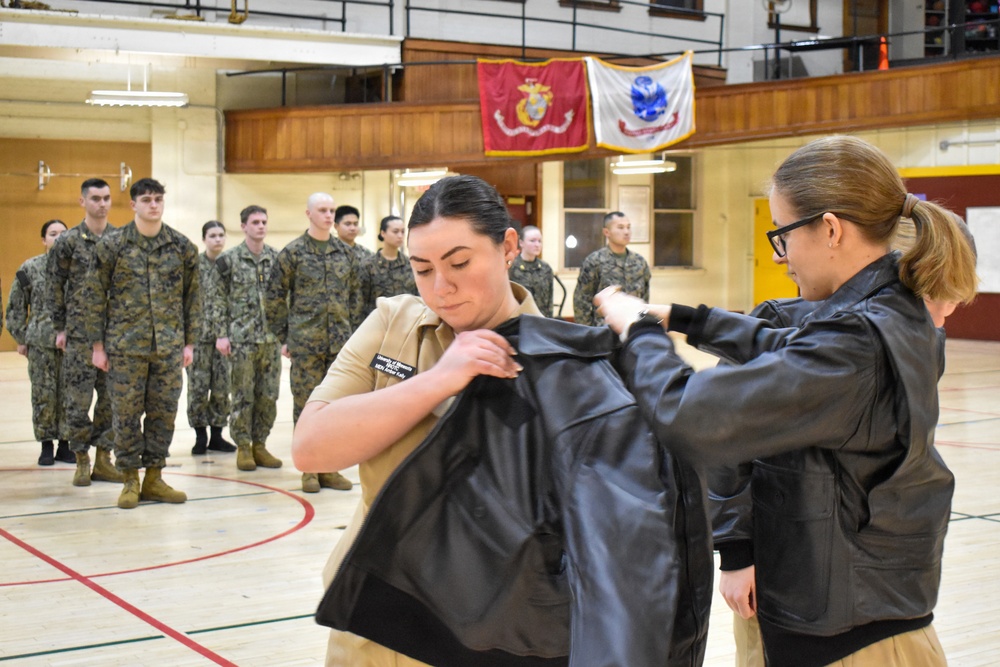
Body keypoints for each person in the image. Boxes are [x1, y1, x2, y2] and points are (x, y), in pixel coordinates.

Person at [595, 135, 978, 667]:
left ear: (831, 229)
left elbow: (691, 415)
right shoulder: (887, 313)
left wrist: (638, 333)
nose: (781, 256)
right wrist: (682, 318)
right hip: (852, 619)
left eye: (783, 234)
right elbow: (787, 340)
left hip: (854, 642)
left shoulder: (858, 341)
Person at [292, 174, 540, 665]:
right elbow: (311, 446)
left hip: (484, 633)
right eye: (422, 269)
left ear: (508, 247)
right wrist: (437, 380)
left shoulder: (555, 360)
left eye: (460, 263)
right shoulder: (394, 323)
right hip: (371, 623)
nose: (440, 288)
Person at [86, 178, 201, 510]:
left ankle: (154, 478)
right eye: (147, 199)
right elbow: (93, 296)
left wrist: (190, 343)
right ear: (133, 204)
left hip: (168, 347)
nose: (153, 205)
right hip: (125, 347)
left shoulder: (182, 247)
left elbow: (193, 298)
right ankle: (129, 480)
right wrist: (97, 346)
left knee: (163, 414)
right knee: (125, 415)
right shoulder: (113, 245)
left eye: (158, 199)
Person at [266, 193, 355, 493]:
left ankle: (329, 467)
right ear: (308, 214)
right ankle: (309, 469)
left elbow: (355, 296)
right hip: (305, 344)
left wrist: (353, 335)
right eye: (322, 210)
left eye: (331, 210)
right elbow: (273, 296)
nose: (329, 215)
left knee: (334, 408)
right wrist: (284, 336)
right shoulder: (292, 253)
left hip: (339, 344)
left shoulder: (345, 254)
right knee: (306, 407)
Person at [48, 177, 122, 484]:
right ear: (83, 201)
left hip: (114, 334)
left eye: (106, 198)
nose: (102, 204)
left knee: (111, 399)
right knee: (77, 401)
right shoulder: (68, 242)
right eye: (95, 198)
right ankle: (81, 459)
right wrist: (59, 327)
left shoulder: (121, 239)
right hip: (79, 334)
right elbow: (55, 285)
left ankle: (104, 459)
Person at [214, 205, 283, 474]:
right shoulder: (229, 260)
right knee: (243, 394)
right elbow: (217, 299)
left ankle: (260, 444)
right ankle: (243, 446)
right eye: (255, 222)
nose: (261, 226)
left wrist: (285, 334)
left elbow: (283, 298)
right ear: (243, 226)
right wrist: (221, 334)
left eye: (264, 221)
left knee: (268, 395)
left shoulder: (276, 259)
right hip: (241, 339)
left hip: (270, 340)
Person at [6, 219, 70, 466]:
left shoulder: (78, 268)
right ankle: (46, 445)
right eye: (53, 234)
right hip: (40, 343)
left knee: (70, 394)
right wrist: (21, 338)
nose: (59, 237)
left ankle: (65, 445)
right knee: (43, 394)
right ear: (44, 240)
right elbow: (16, 306)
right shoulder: (29, 268)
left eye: (63, 233)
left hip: (71, 344)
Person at [188, 220, 235, 455]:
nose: (217, 239)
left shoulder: (230, 264)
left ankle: (217, 435)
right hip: (198, 337)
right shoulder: (194, 266)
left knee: (221, 387)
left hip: (224, 338)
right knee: (197, 387)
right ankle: (200, 436)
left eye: (221, 235)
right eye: (212, 236)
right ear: (204, 239)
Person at [572, 211, 650, 326]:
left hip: (634, 328)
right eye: (620, 227)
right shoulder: (594, 261)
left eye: (628, 227)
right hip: (604, 329)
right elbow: (582, 301)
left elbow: (644, 299)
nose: (626, 232)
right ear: (606, 232)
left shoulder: (639, 262)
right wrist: (587, 332)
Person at [357, 214, 417, 317]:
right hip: (377, 321)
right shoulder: (369, 265)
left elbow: (416, 297)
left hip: (405, 320)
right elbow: (361, 301)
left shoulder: (410, 264)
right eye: (395, 231)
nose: (400, 236)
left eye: (403, 232)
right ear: (383, 233)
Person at [508, 224, 554, 317]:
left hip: (541, 319)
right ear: (521, 243)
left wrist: (549, 321)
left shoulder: (545, 268)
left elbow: (549, 301)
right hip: (519, 319)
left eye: (539, 241)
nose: (537, 245)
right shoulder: (511, 267)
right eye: (532, 241)